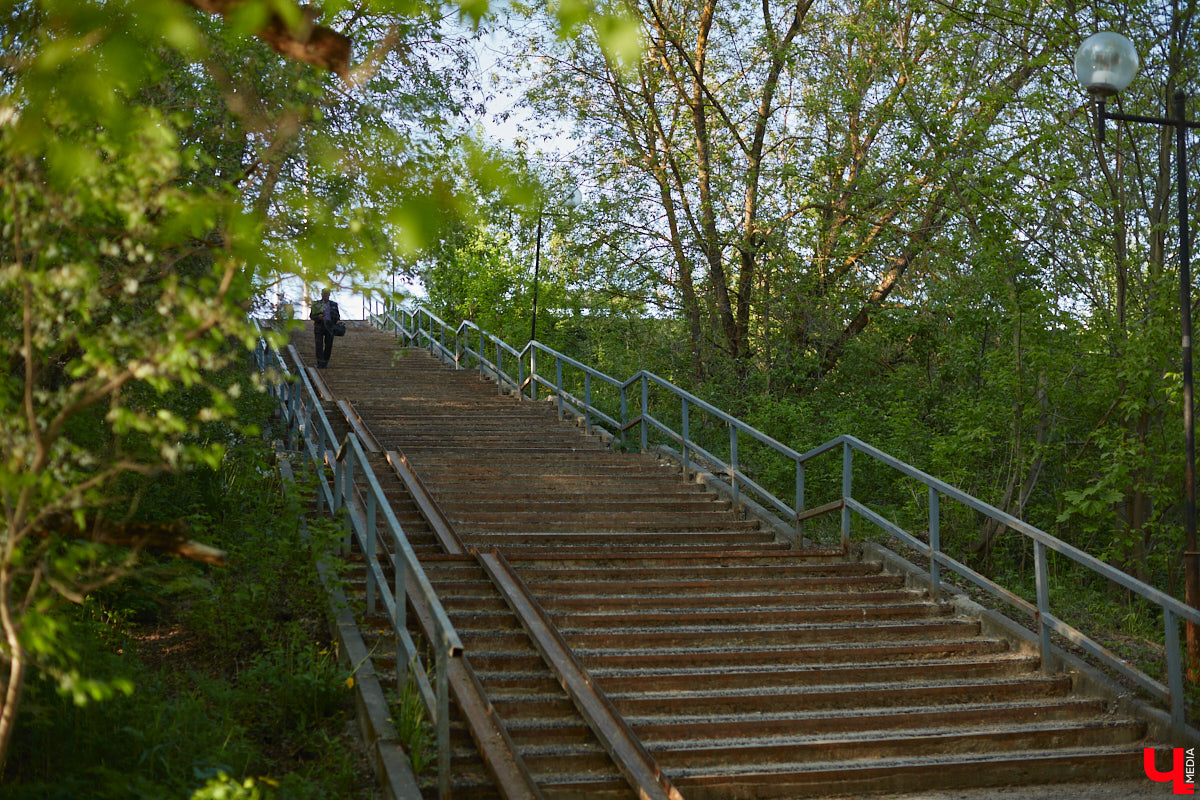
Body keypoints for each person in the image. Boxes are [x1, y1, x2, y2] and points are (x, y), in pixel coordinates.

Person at [310, 288, 340, 368]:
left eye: (327, 294)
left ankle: (325, 362)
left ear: (329, 295)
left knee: (329, 345)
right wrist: (318, 317)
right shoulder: (316, 304)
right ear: (321, 294)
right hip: (319, 326)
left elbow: (337, 315)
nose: (325, 295)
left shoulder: (334, 304)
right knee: (319, 345)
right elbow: (312, 316)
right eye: (324, 294)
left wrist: (337, 321)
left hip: (330, 327)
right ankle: (320, 363)